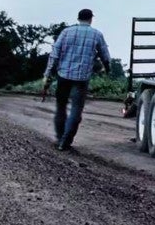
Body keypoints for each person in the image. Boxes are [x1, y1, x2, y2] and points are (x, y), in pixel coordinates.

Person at [44, 8, 111, 151]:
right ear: (91, 19)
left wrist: (47, 74)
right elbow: (105, 56)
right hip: (82, 79)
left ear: (78, 18)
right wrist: (107, 69)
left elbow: (54, 54)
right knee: (76, 109)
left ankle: (59, 137)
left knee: (61, 107)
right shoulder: (97, 35)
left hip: (63, 76)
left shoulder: (66, 32)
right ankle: (65, 141)